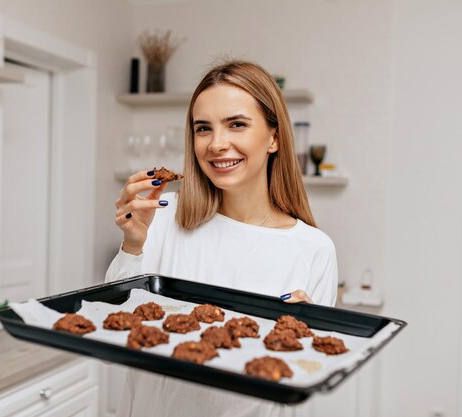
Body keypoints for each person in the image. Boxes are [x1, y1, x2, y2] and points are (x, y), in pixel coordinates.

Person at [105, 60, 338, 417]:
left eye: (237, 125)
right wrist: (133, 243)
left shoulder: (313, 249)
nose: (216, 144)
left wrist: (304, 338)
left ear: (274, 138)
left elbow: (307, 377)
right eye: (203, 128)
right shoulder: (164, 215)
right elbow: (112, 322)